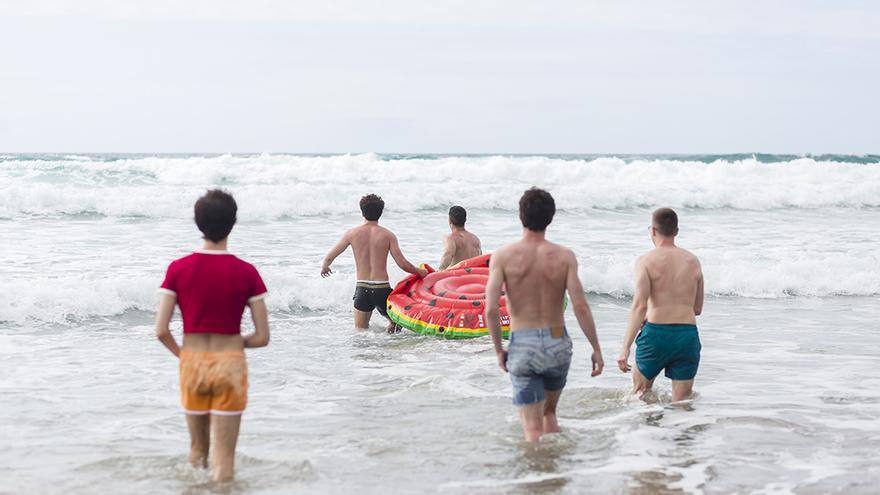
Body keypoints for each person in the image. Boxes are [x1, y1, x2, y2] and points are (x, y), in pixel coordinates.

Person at [154, 189, 270, 482]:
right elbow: (262, 337)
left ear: (198, 222)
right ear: (233, 222)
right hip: (230, 364)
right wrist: (235, 342)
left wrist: (186, 357)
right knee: (224, 461)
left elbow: (161, 330)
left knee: (197, 453)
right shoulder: (246, 272)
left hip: (192, 363)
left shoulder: (178, 269)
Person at [485, 187, 604, 443]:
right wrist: (596, 348)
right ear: (550, 217)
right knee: (549, 414)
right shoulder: (564, 256)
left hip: (524, 343)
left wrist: (498, 349)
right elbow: (580, 305)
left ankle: (537, 479)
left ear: (520, 216)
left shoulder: (504, 256)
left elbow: (491, 308)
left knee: (531, 429)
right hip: (558, 342)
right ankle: (556, 475)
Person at [617, 207, 703, 402]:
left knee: (640, 397)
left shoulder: (646, 261)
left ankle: (648, 432)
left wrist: (625, 348)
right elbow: (697, 309)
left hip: (656, 335)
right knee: (682, 404)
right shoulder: (693, 261)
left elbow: (639, 306)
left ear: (653, 231)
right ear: (676, 231)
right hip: (687, 336)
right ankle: (680, 433)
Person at [321, 194, 428, 332]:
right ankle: (386, 350)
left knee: (361, 332)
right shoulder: (388, 235)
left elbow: (329, 257)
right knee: (395, 325)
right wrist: (420, 272)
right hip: (382, 290)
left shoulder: (352, 233)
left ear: (362, 211)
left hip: (362, 290)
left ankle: (368, 352)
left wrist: (325, 266)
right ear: (381, 212)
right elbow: (403, 264)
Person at [439, 205, 482, 270]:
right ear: (465, 220)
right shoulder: (475, 239)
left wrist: (439, 271)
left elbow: (448, 255)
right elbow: (480, 260)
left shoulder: (451, 238)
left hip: (456, 276)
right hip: (472, 275)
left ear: (449, 220)